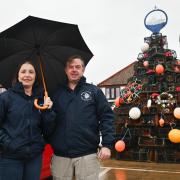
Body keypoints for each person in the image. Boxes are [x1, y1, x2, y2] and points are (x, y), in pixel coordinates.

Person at [50, 55, 115, 180]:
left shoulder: (94, 91)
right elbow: (48, 123)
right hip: (60, 156)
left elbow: (107, 117)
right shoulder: (55, 94)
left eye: (77, 67)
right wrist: (47, 110)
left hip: (87, 155)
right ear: (66, 70)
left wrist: (107, 144)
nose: (74, 69)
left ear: (83, 70)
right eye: (71, 67)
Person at [0, 61, 56, 180]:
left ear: (36, 76)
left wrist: (48, 111)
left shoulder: (41, 100)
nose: (27, 75)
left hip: (34, 158)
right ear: (18, 75)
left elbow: (48, 132)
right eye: (23, 71)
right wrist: (10, 144)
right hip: (10, 157)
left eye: (31, 72)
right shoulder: (6, 98)